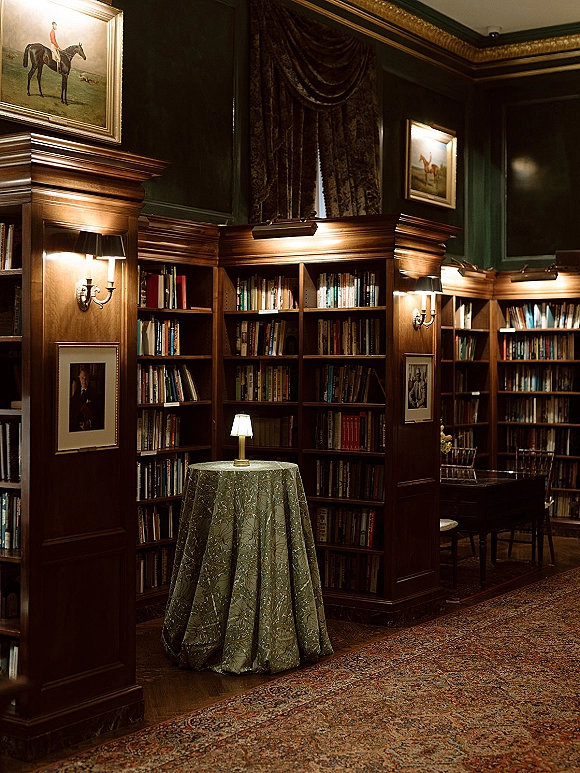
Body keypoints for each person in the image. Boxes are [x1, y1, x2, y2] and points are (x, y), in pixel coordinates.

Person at [69, 367, 104, 432]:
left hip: (88, 429)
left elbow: (98, 413)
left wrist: (89, 423)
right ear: (79, 378)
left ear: (89, 379)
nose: (84, 381)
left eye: (86, 378)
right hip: (76, 428)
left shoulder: (94, 393)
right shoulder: (76, 392)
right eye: (82, 378)